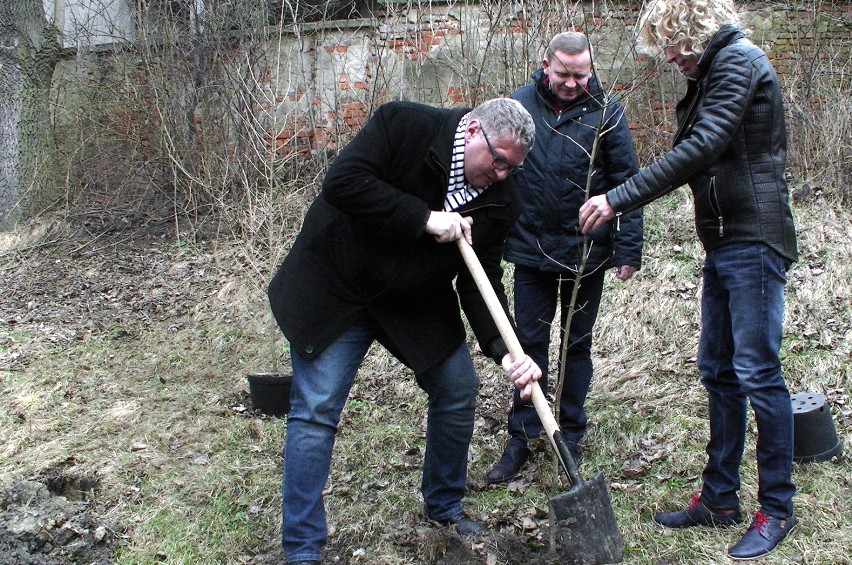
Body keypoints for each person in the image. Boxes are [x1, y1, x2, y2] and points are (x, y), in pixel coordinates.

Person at [267, 97, 543, 565]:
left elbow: (482, 281)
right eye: (497, 161)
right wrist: (423, 218)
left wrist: (504, 349)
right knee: (316, 410)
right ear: (473, 131)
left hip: (414, 300)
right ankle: (302, 548)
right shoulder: (406, 125)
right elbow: (343, 183)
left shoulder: (503, 197)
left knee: (458, 388)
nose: (500, 175)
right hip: (341, 286)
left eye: (510, 169)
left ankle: (444, 507)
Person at [579, 0, 798, 560]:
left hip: (755, 235)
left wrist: (618, 199)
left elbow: (700, 150)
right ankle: (720, 499)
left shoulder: (739, 62)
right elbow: (695, 152)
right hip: (725, 240)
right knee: (718, 369)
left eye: (674, 43)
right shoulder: (711, 72)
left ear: (696, 30)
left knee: (756, 370)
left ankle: (776, 508)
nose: (671, 56)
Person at [486, 31, 643, 485]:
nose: (572, 83)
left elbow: (626, 180)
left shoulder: (607, 112)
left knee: (577, 344)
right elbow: (498, 175)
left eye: (581, 74)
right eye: (563, 74)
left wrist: (627, 246)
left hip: (586, 253)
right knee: (526, 348)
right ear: (545, 65)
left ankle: (569, 433)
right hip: (530, 248)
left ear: (590, 69)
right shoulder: (518, 105)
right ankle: (523, 434)